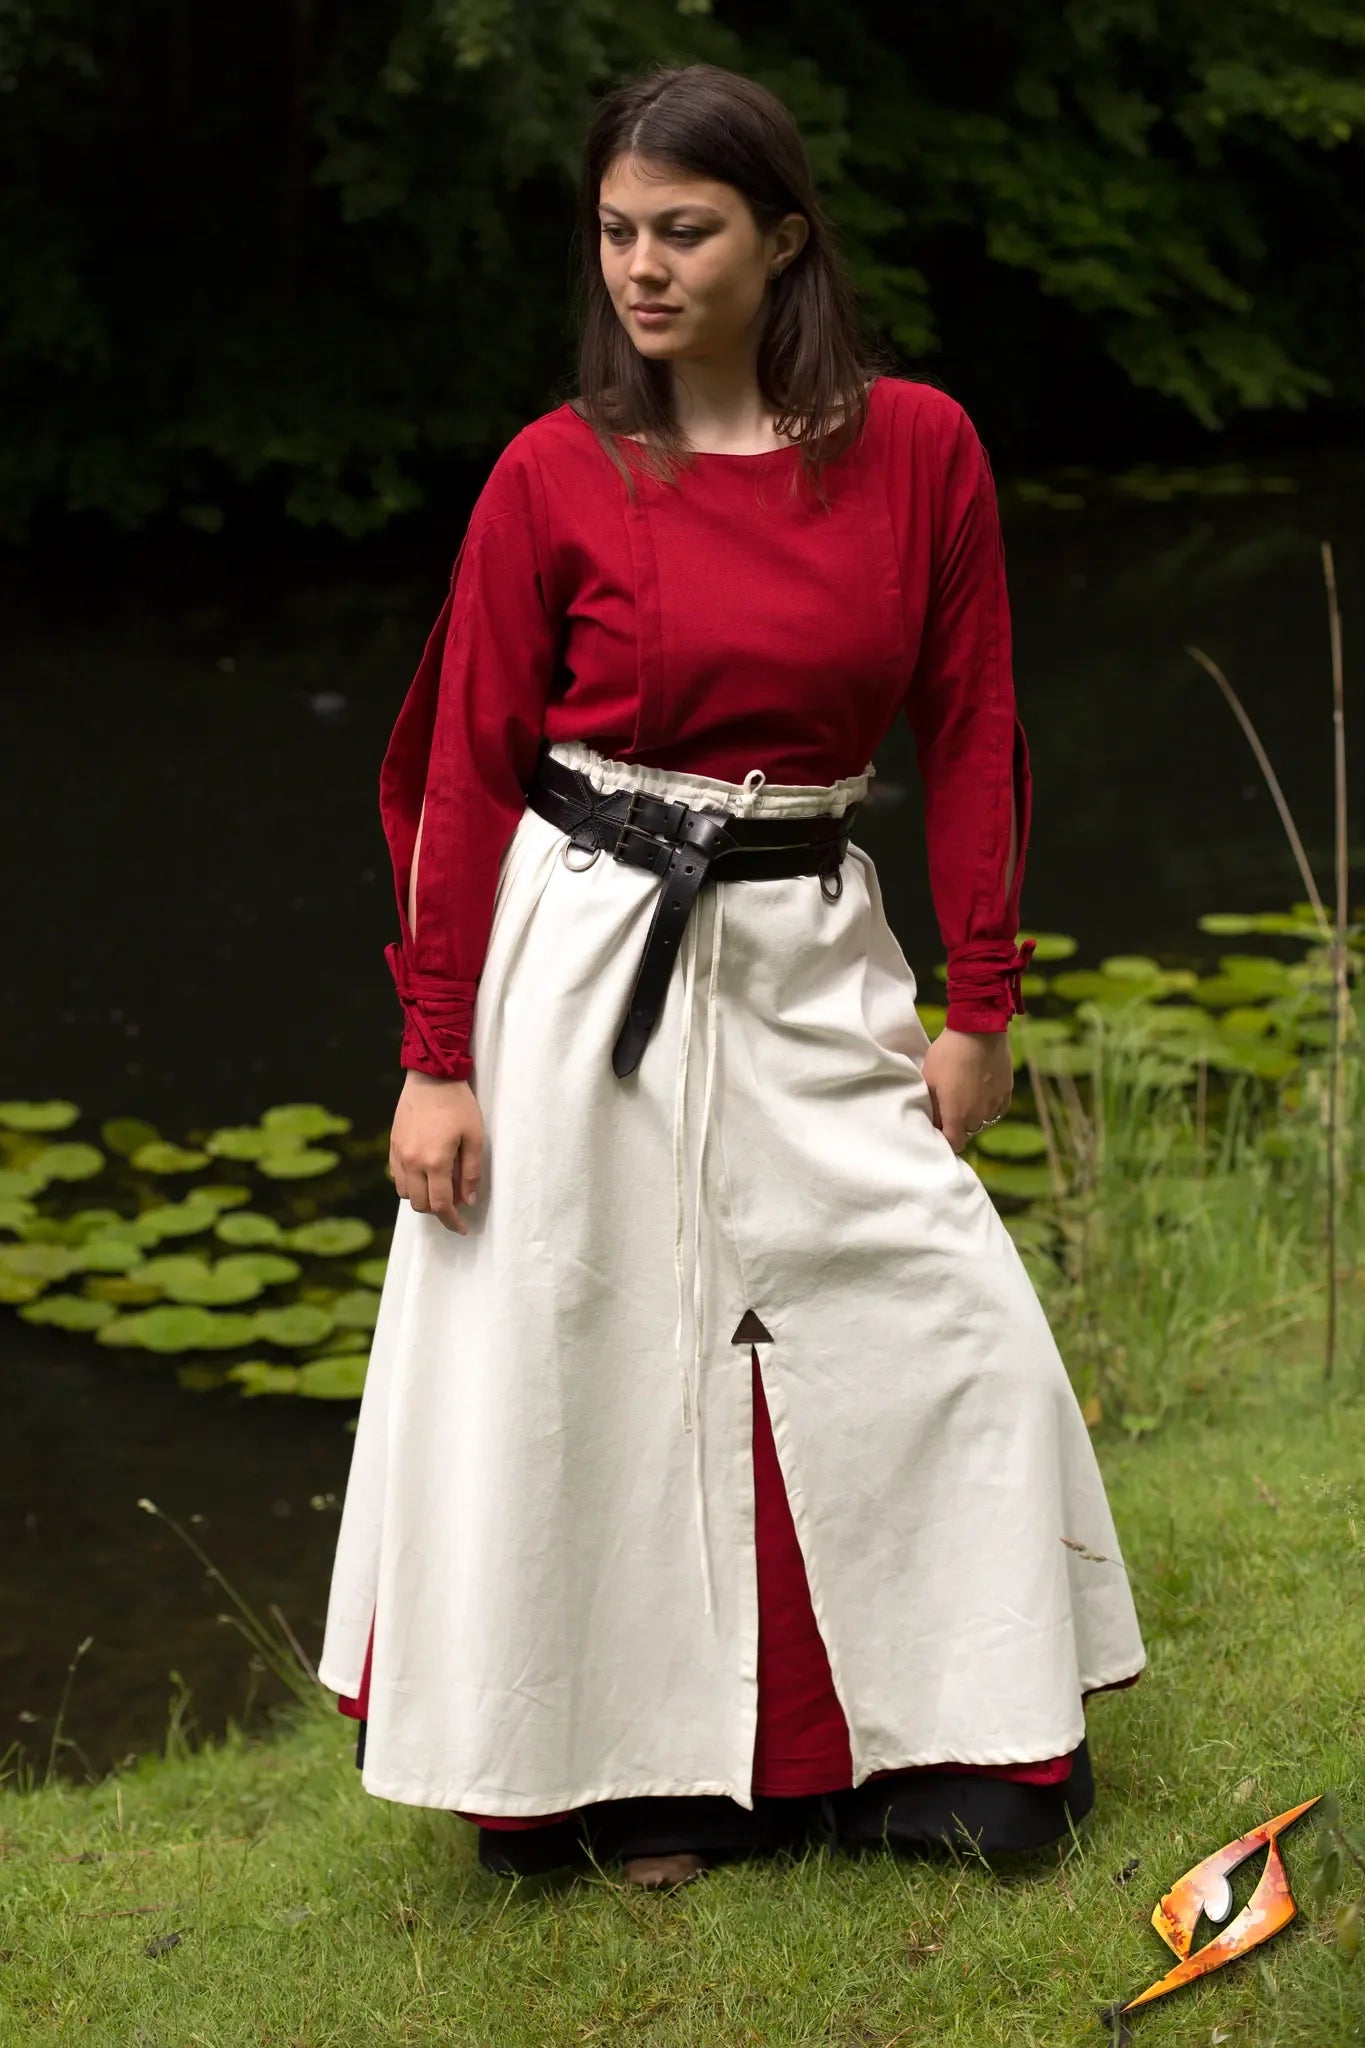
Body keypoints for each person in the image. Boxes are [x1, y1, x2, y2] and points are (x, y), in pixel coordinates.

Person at [319, 60, 1146, 1891]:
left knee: (933, 1312)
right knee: (593, 1347)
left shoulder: (918, 450)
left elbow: (975, 726)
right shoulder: (552, 473)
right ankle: (620, 1768)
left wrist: (981, 1002)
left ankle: (944, 1726)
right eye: (616, 232)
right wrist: (434, 1052)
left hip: (808, 946)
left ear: (781, 239)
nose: (641, 267)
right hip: (581, 955)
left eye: (682, 231)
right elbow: (458, 771)